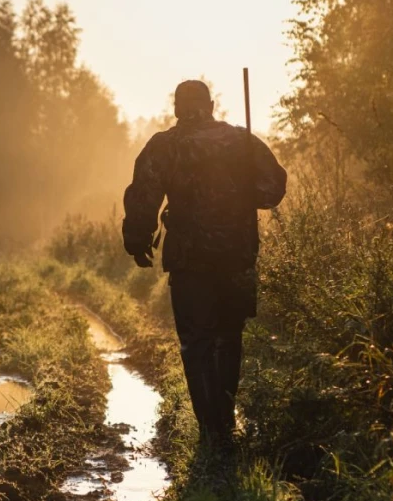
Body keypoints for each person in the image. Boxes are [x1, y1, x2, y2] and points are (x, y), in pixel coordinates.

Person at [122, 79, 287, 449]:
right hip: (237, 255)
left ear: (178, 107)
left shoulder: (165, 145)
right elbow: (272, 190)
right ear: (210, 105)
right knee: (229, 338)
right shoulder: (242, 141)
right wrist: (242, 186)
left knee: (196, 342)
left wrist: (137, 241)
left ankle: (209, 431)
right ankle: (226, 424)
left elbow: (143, 197)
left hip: (189, 260)